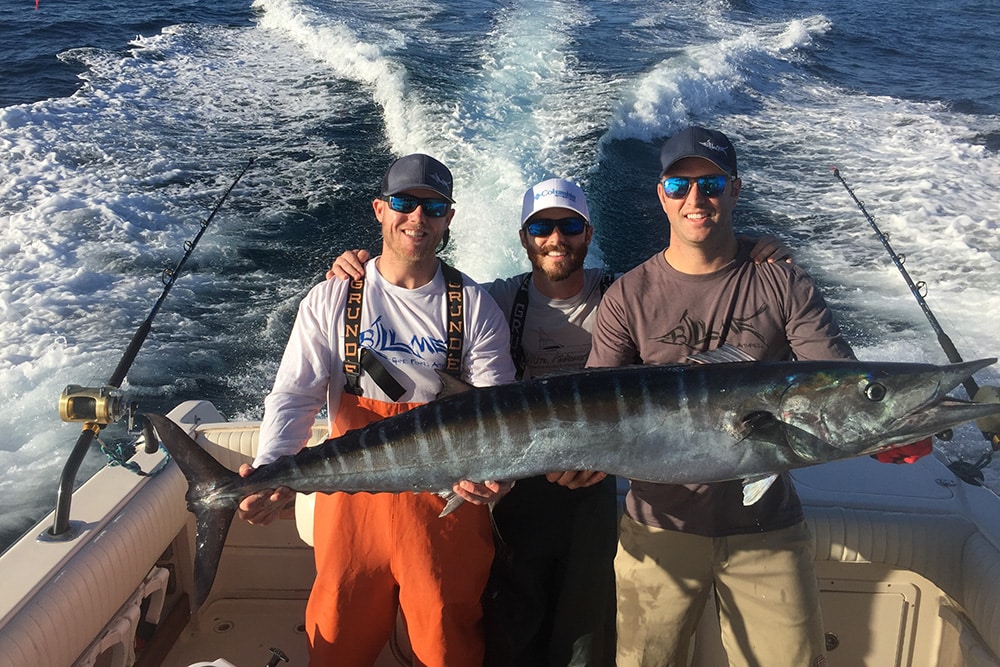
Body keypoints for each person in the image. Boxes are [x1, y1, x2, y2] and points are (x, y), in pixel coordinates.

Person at [328, 176, 795, 667]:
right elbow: (418, 303)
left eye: (570, 226)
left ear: (589, 234)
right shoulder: (493, 300)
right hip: (516, 484)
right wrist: (362, 269)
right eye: (541, 227)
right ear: (524, 238)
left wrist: (754, 251)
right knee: (513, 625)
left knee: (583, 630)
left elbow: (689, 300)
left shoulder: (624, 295)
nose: (556, 239)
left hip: (596, 485)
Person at [586, 126, 931, 667]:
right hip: (659, 532)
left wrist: (893, 424)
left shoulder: (783, 282)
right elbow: (595, 409)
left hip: (767, 529)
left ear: (736, 190)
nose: (697, 199)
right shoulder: (627, 296)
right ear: (661, 194)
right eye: (680, 185)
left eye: (713, 183)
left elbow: (839, 380)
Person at [237, 153, 517, 667]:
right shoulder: (331, 297)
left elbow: (496, 415)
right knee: (336, 638)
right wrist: (272, 467)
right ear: (380, 210)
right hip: (351, 501)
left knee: (446, 645)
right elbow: (295, 396)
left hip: (444, 501)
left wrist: (495, 478)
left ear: (448, 218)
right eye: (404, 202)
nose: (418, 218)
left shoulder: (476, 307)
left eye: (432, 207)